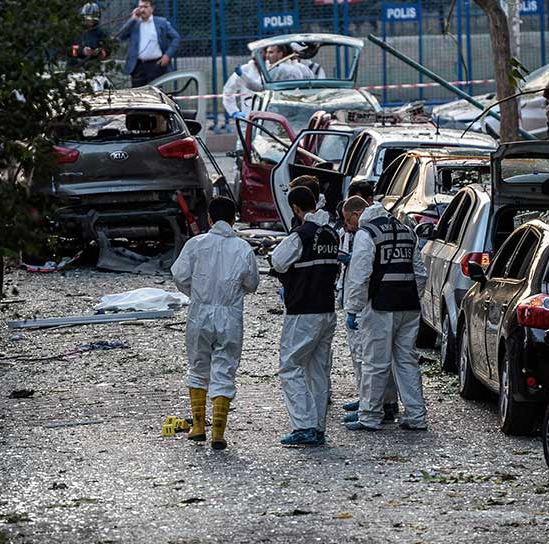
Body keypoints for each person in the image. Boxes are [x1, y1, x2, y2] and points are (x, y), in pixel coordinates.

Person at [171, 197, 259, 450]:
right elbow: (252, 284)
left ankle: (198, 428)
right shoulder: (243, 248)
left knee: (198, 368)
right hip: (229, 314)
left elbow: (179, 275)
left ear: (209, 218)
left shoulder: (195, 244)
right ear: (234, 219)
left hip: (200, 312)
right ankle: (218, 433)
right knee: (225, 369)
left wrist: (197, 294)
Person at [343, 198, 428, 432]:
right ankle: (416, 416)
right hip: (409, 306)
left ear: (360, 215)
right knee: (406, 362)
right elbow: (420, 273)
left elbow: (360, 276)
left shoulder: (367, 234)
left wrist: (354, 309)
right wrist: (412, 295)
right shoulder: (407, 231)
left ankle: (370, 416)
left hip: (380, 307)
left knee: (375, 363)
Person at [269, 187, 340, 446]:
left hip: (303, 310)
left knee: (290, 366)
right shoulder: (331, 233)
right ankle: (318, 426)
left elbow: (277, 261)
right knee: (318, 370)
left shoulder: (301, 235)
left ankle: (304, 426)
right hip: (326, 310)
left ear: (296, 209)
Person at [222, 44, 314, 121]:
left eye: (270, 52)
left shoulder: (277, 69)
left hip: (280, 112)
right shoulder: (304, 68)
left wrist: (243, 76)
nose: (267, 56)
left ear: (280, 54)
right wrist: (233, 111)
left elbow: (257, 87)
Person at [117, 0, 181, 87]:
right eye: (140, 7)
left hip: (155, 65)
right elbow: (120, 36)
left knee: (155, 93)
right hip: (138, 66)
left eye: (145, 7)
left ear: (152, 8)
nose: (142, 10)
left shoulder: (161, 22)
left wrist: (167, 55)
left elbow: (176, 37)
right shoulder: (134, 23)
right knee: (138, 94)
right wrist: (133, 19)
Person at [69, 3, 109, 67]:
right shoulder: (75, 32)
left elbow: (107, 51)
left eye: (91, 20)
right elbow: (68, 49)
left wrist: (98, 51)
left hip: (94, 66)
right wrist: (82, 50)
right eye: (87, 19)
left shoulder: (102, 33)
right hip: (75, 66)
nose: (89, 22)